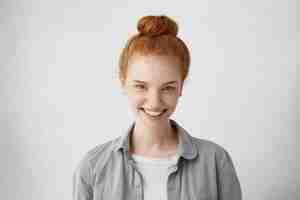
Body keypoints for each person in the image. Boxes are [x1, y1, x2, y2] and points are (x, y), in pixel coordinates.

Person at [73, 15, 242, 200]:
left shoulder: (215, 162)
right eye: (141, 86)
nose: (154, 102)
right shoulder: (92, 167)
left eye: (167, 88)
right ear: (123, 82)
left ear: (181, 87)